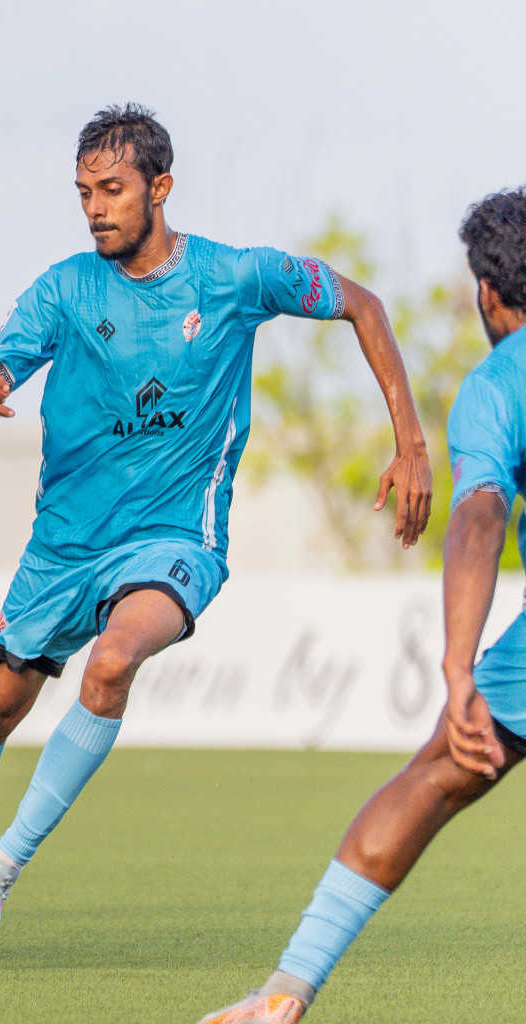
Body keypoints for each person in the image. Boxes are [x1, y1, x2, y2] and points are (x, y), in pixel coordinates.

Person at [0, 103, 433, 959]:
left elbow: (365, 304)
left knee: (114, 660)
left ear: (159, 188)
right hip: (63, 547)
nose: (95, 208)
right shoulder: (63, 289)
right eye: (82, 192)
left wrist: (410, 443)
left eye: (112, 189)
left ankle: (4, 866)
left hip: (174, 538)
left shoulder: (235, 278)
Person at [196, 186, 526, 1023]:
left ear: (487, 293)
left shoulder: (497, 387)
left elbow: (482, 515)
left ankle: (285, 991)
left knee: (433, 779)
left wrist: (457, 670)